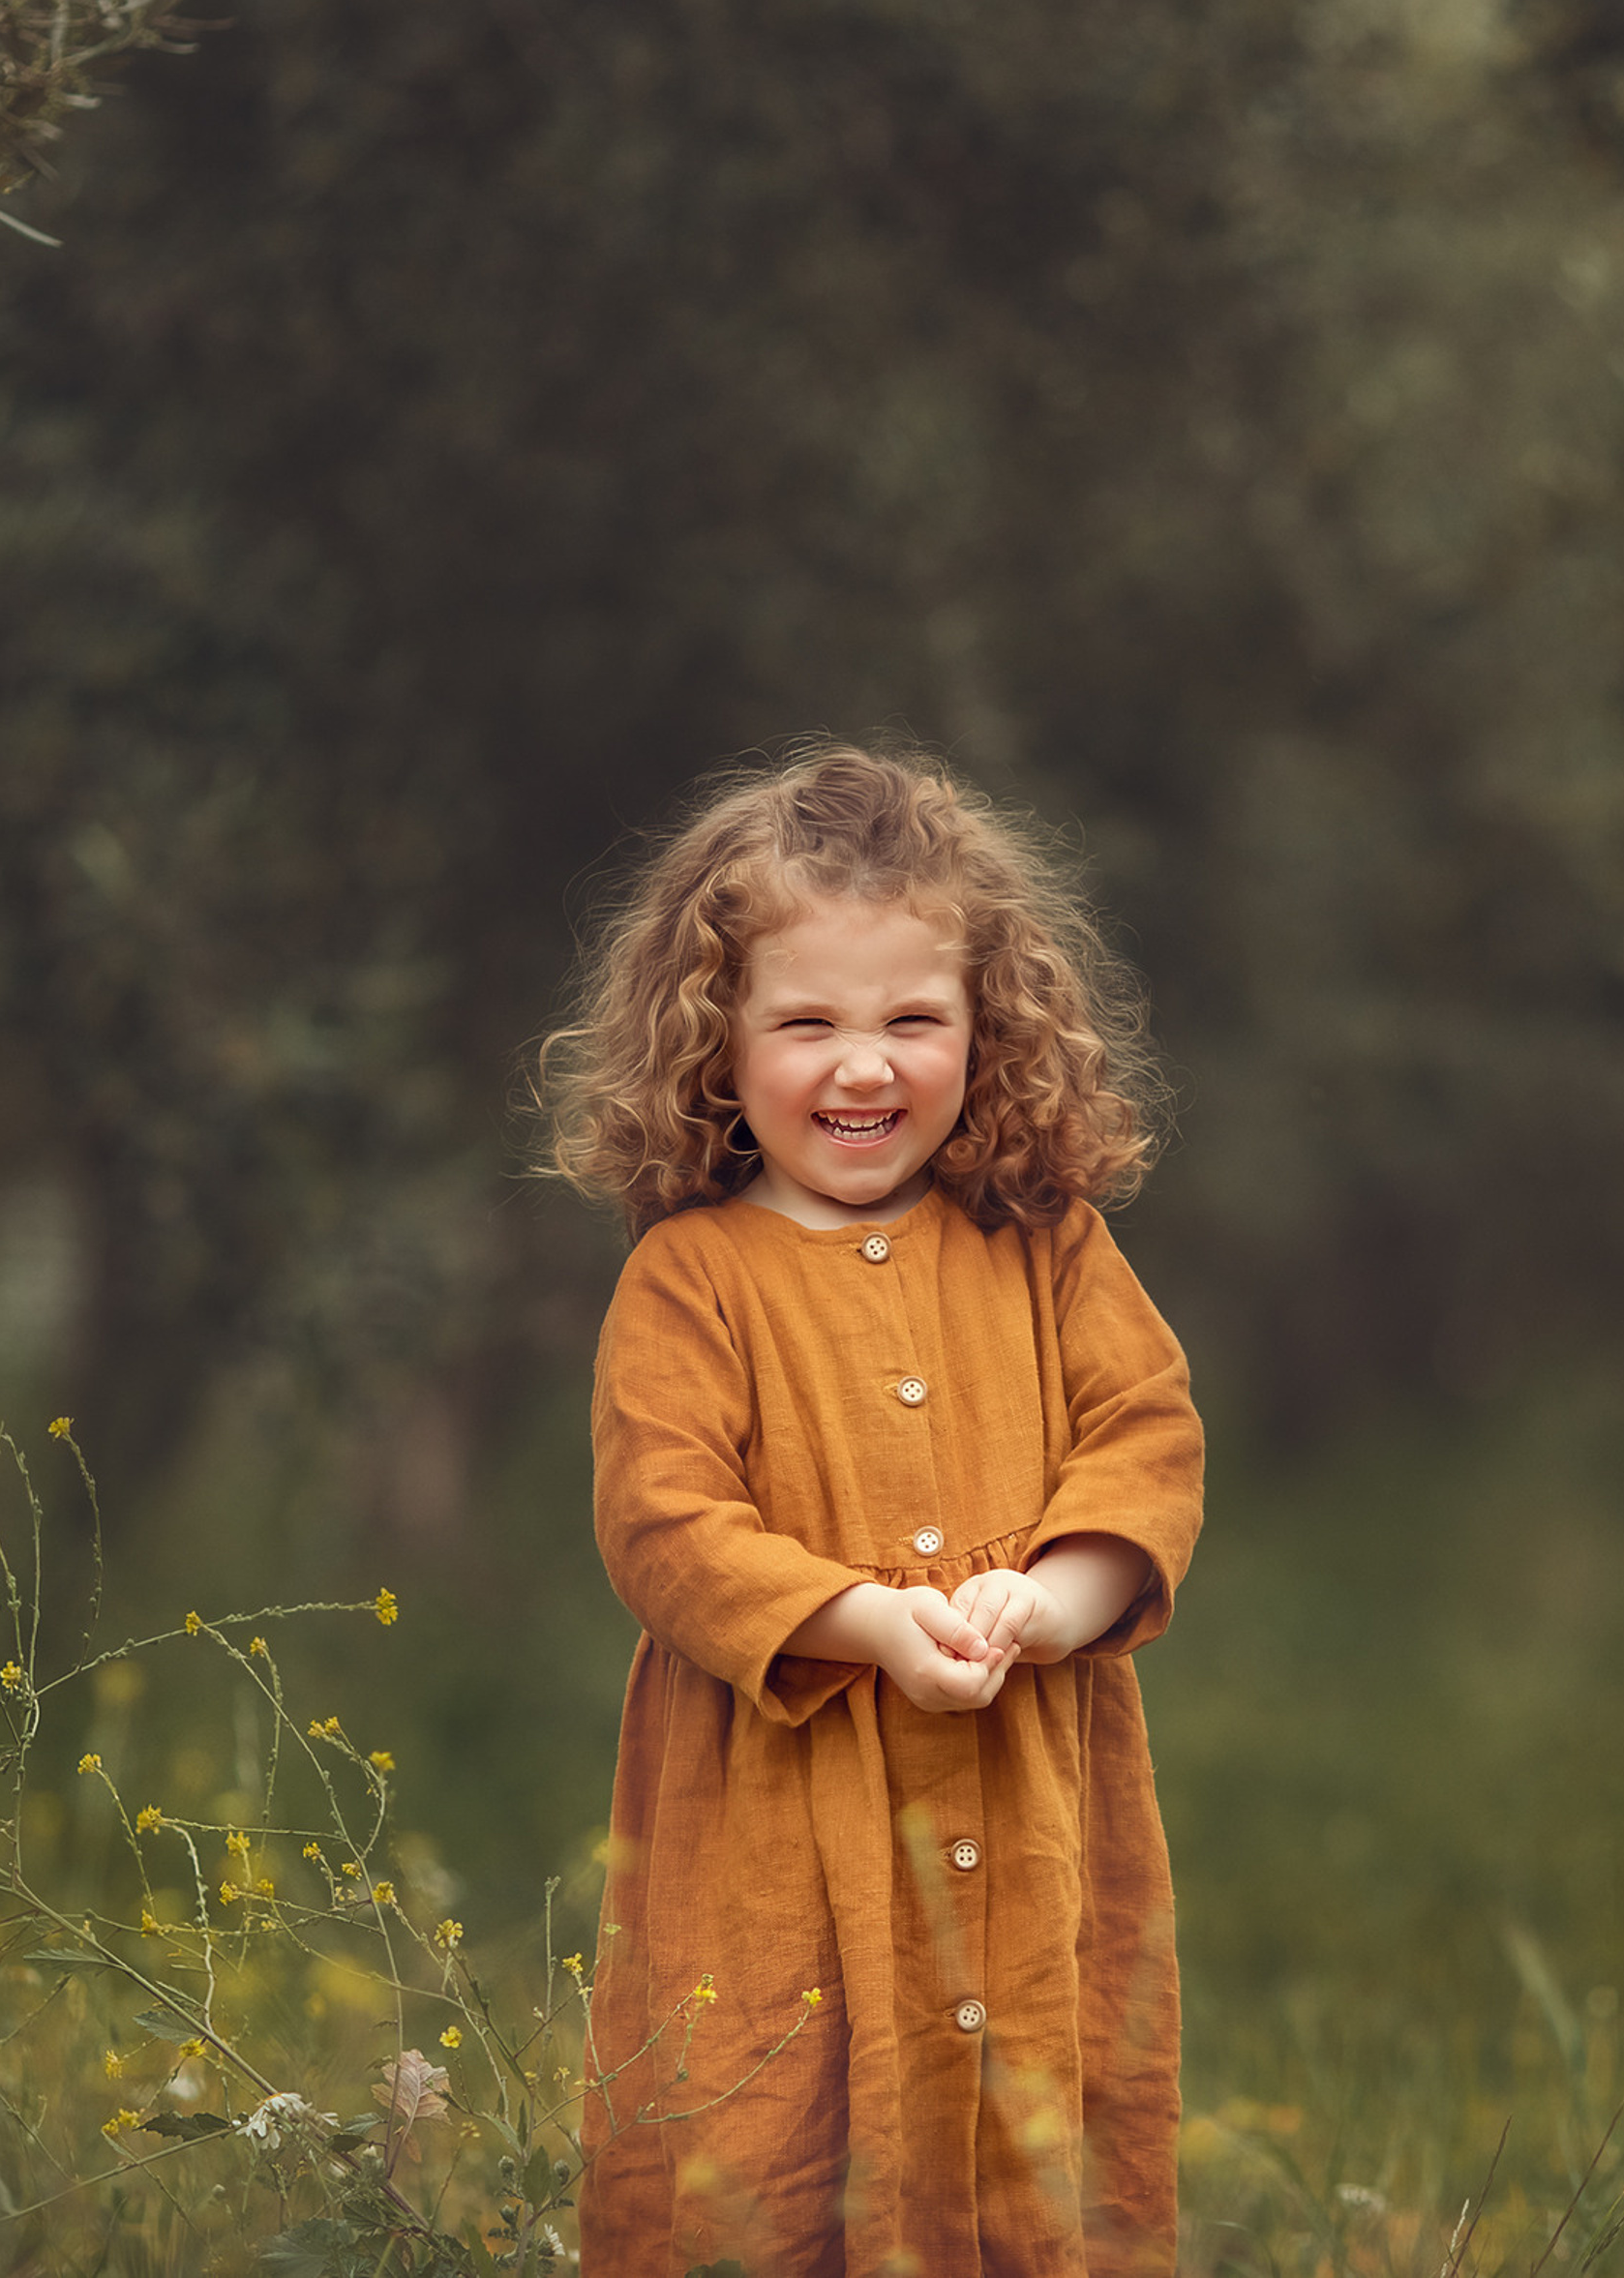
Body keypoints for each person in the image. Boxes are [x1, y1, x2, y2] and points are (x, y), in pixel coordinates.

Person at [539, 745, 1204, 2276]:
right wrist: (863, 1625)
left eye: (914, 1020)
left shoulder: (1046, 1243)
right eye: (808, 1023)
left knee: (1038, 2135)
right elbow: (665, 1521)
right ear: (716, 1043)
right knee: (766, 2152)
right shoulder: (692, 1277)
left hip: (1029, 1791)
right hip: (776, 1820)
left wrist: (1055, 1599)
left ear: (990, 1029)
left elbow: (1145, 1436)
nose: (865, 1067)